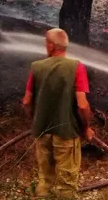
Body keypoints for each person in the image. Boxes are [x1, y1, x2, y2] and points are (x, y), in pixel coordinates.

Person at [22, 28, 94, 199]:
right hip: (67, 134)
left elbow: (26, 101)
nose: (45, 46)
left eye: (46, 43)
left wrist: (35, 119)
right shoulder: (76, 67)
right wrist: (86, 128)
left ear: (53, 46)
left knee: (45, 180)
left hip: (42, 132)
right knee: (66, 183)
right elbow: (82, 105)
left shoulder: (37, 67)